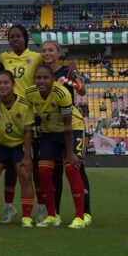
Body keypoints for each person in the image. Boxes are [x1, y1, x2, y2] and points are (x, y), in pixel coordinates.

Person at [25, 65, 86, 229]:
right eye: (38, 78)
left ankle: (79, 217)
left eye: (45, 78)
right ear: (34, 80)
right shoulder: (30, 93)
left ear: (53, 79)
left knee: (71, 168)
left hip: (72, 129)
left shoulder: (62, 93)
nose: (42, 81)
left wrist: (70, 154)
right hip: (49, 133)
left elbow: (67, 126)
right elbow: (28, 120)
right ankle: (52, 216)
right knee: (44, 172)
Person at [40, 40, 92, 226]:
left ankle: (85, 213)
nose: (47, 53)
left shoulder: (66, 72)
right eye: (44, 50)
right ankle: (56, 214)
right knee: (52, 173)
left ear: (58, 52)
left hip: (72, 124)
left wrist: (75, 78)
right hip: (51, 128)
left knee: (75, 167)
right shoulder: (40, 75)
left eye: (50, 50)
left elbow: (84, 91)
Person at [0, 24, 42, 223]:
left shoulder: (37, 57)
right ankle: (9, 207)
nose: (14, 39)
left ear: (25, 37)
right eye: (11, 37)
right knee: (9, 167)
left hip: (30, 115)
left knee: (33, 167)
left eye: (18, 36)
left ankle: (40, 208)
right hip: (8, 116)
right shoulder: (3, 58)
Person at [0, 70, 35, 227]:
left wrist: (27, 156)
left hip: (18, 145)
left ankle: (26, 217)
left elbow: (28, 132)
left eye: (6, 82)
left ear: (13, 84)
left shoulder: (24, 104)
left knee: (25, 176)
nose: (3, 86)